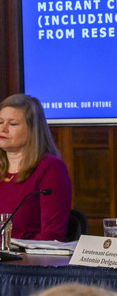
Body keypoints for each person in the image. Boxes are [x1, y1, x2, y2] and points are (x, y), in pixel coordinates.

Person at [0, 94, 71, 240]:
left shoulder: (50, 168)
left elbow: (52, 234)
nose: (3, 129)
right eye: (0, 122)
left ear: (33, 130)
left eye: (12, 124)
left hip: (24, 259)